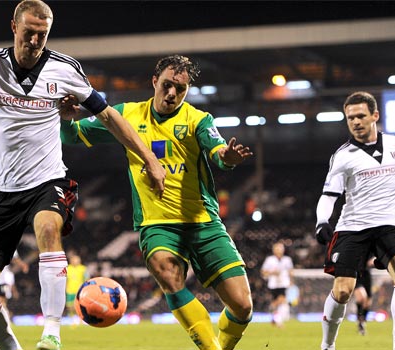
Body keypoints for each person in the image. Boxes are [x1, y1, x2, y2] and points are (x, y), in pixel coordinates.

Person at [0, 1, 166, 349]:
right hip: (1, 191)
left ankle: (51, 332)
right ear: (14, 27)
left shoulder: (65, 69)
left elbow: (110, 116)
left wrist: (149, 159)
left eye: (42, 34)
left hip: (47, 180)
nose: (35, 40)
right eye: (29, 32)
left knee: (49, 228)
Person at [60, 54, 254, 350]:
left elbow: (217, 151)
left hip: (203, 223)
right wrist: (65, 117)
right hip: (157, 223)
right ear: (154, 82)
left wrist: (227, 159)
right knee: (165, 269)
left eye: (180, 88)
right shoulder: (126, 115)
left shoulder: (199, 120)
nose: (172, 93)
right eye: (167, 85)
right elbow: (73, 137)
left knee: (242, 307)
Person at [314, 91, 395, 350]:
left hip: (387, 224)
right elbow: (329, 195)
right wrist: (321, 221)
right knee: (342, 292)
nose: (355, 121)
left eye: (361, 116)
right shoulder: (342, 156)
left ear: (375, 115)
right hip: (352, 228)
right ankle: (327, 345)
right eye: (350, 118)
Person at [260, 241, 294, 327]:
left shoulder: (287, 260)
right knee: (278, 302)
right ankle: (275, 318)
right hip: (273, 284)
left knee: (282, 299)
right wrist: (272, 272)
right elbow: (263, 272)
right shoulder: (269, 260)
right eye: (277, 248)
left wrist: (291, 281)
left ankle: (276, 317)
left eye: (280, 248)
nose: (279, 250)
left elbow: (290, 271)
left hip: (283, 283)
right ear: (274, 250)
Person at [65, 253, 89, 320]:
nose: (75, 261)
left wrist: (85, 287)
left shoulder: (83, 269)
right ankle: (71, 318)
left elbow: (86, 279)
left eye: (77, 260)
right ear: (71, 260)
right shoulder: (67, 268)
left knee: (79, 305)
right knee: (70, 305)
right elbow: (64, 279)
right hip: (70, 290)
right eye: (74, 259)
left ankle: (79, 318)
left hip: (79, 290)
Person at [353, 259, 373, 336]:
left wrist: (373, 260)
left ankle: (362, 322)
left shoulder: (370, 248)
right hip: (357, 274)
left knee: (368, 302)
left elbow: (375, 255)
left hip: (367, 275)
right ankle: (359, 320)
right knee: (362, 297)